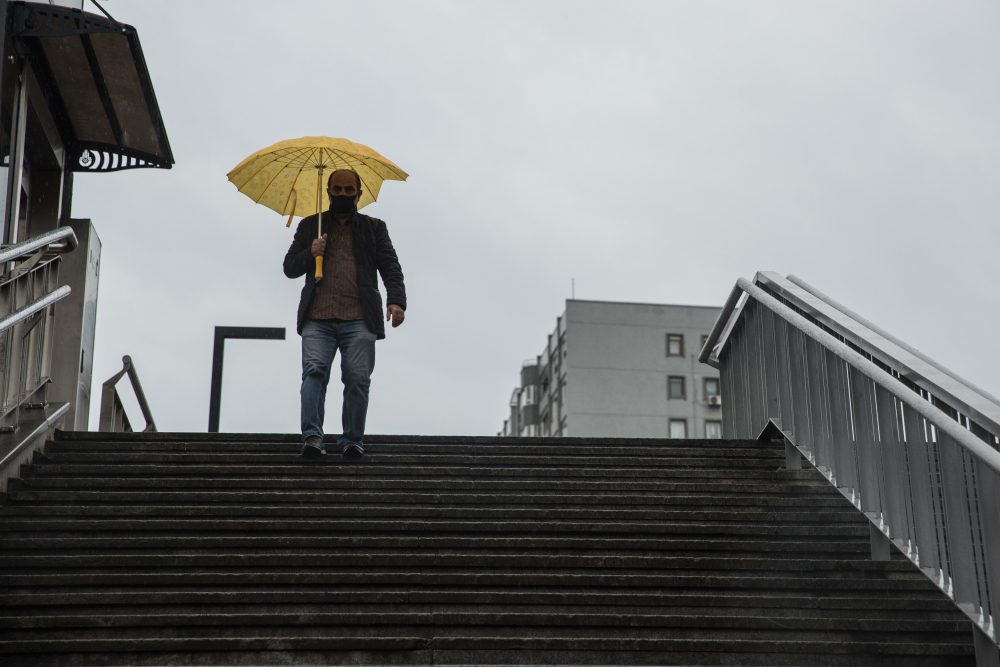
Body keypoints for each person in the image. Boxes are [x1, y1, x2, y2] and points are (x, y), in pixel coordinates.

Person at [282, 169, 406, 459]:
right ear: (328, 192)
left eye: (349, 190)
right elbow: (289, 267)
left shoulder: (374, 228)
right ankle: (312, 437)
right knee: (313, 374)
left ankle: (352, 440)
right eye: (336, 190)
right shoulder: (310, 227)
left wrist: (396, 300)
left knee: (358, 378)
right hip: (317, 317)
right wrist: (310, 253)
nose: (342, 194)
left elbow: (390, 265)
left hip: (360, 318)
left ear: (358, 194)